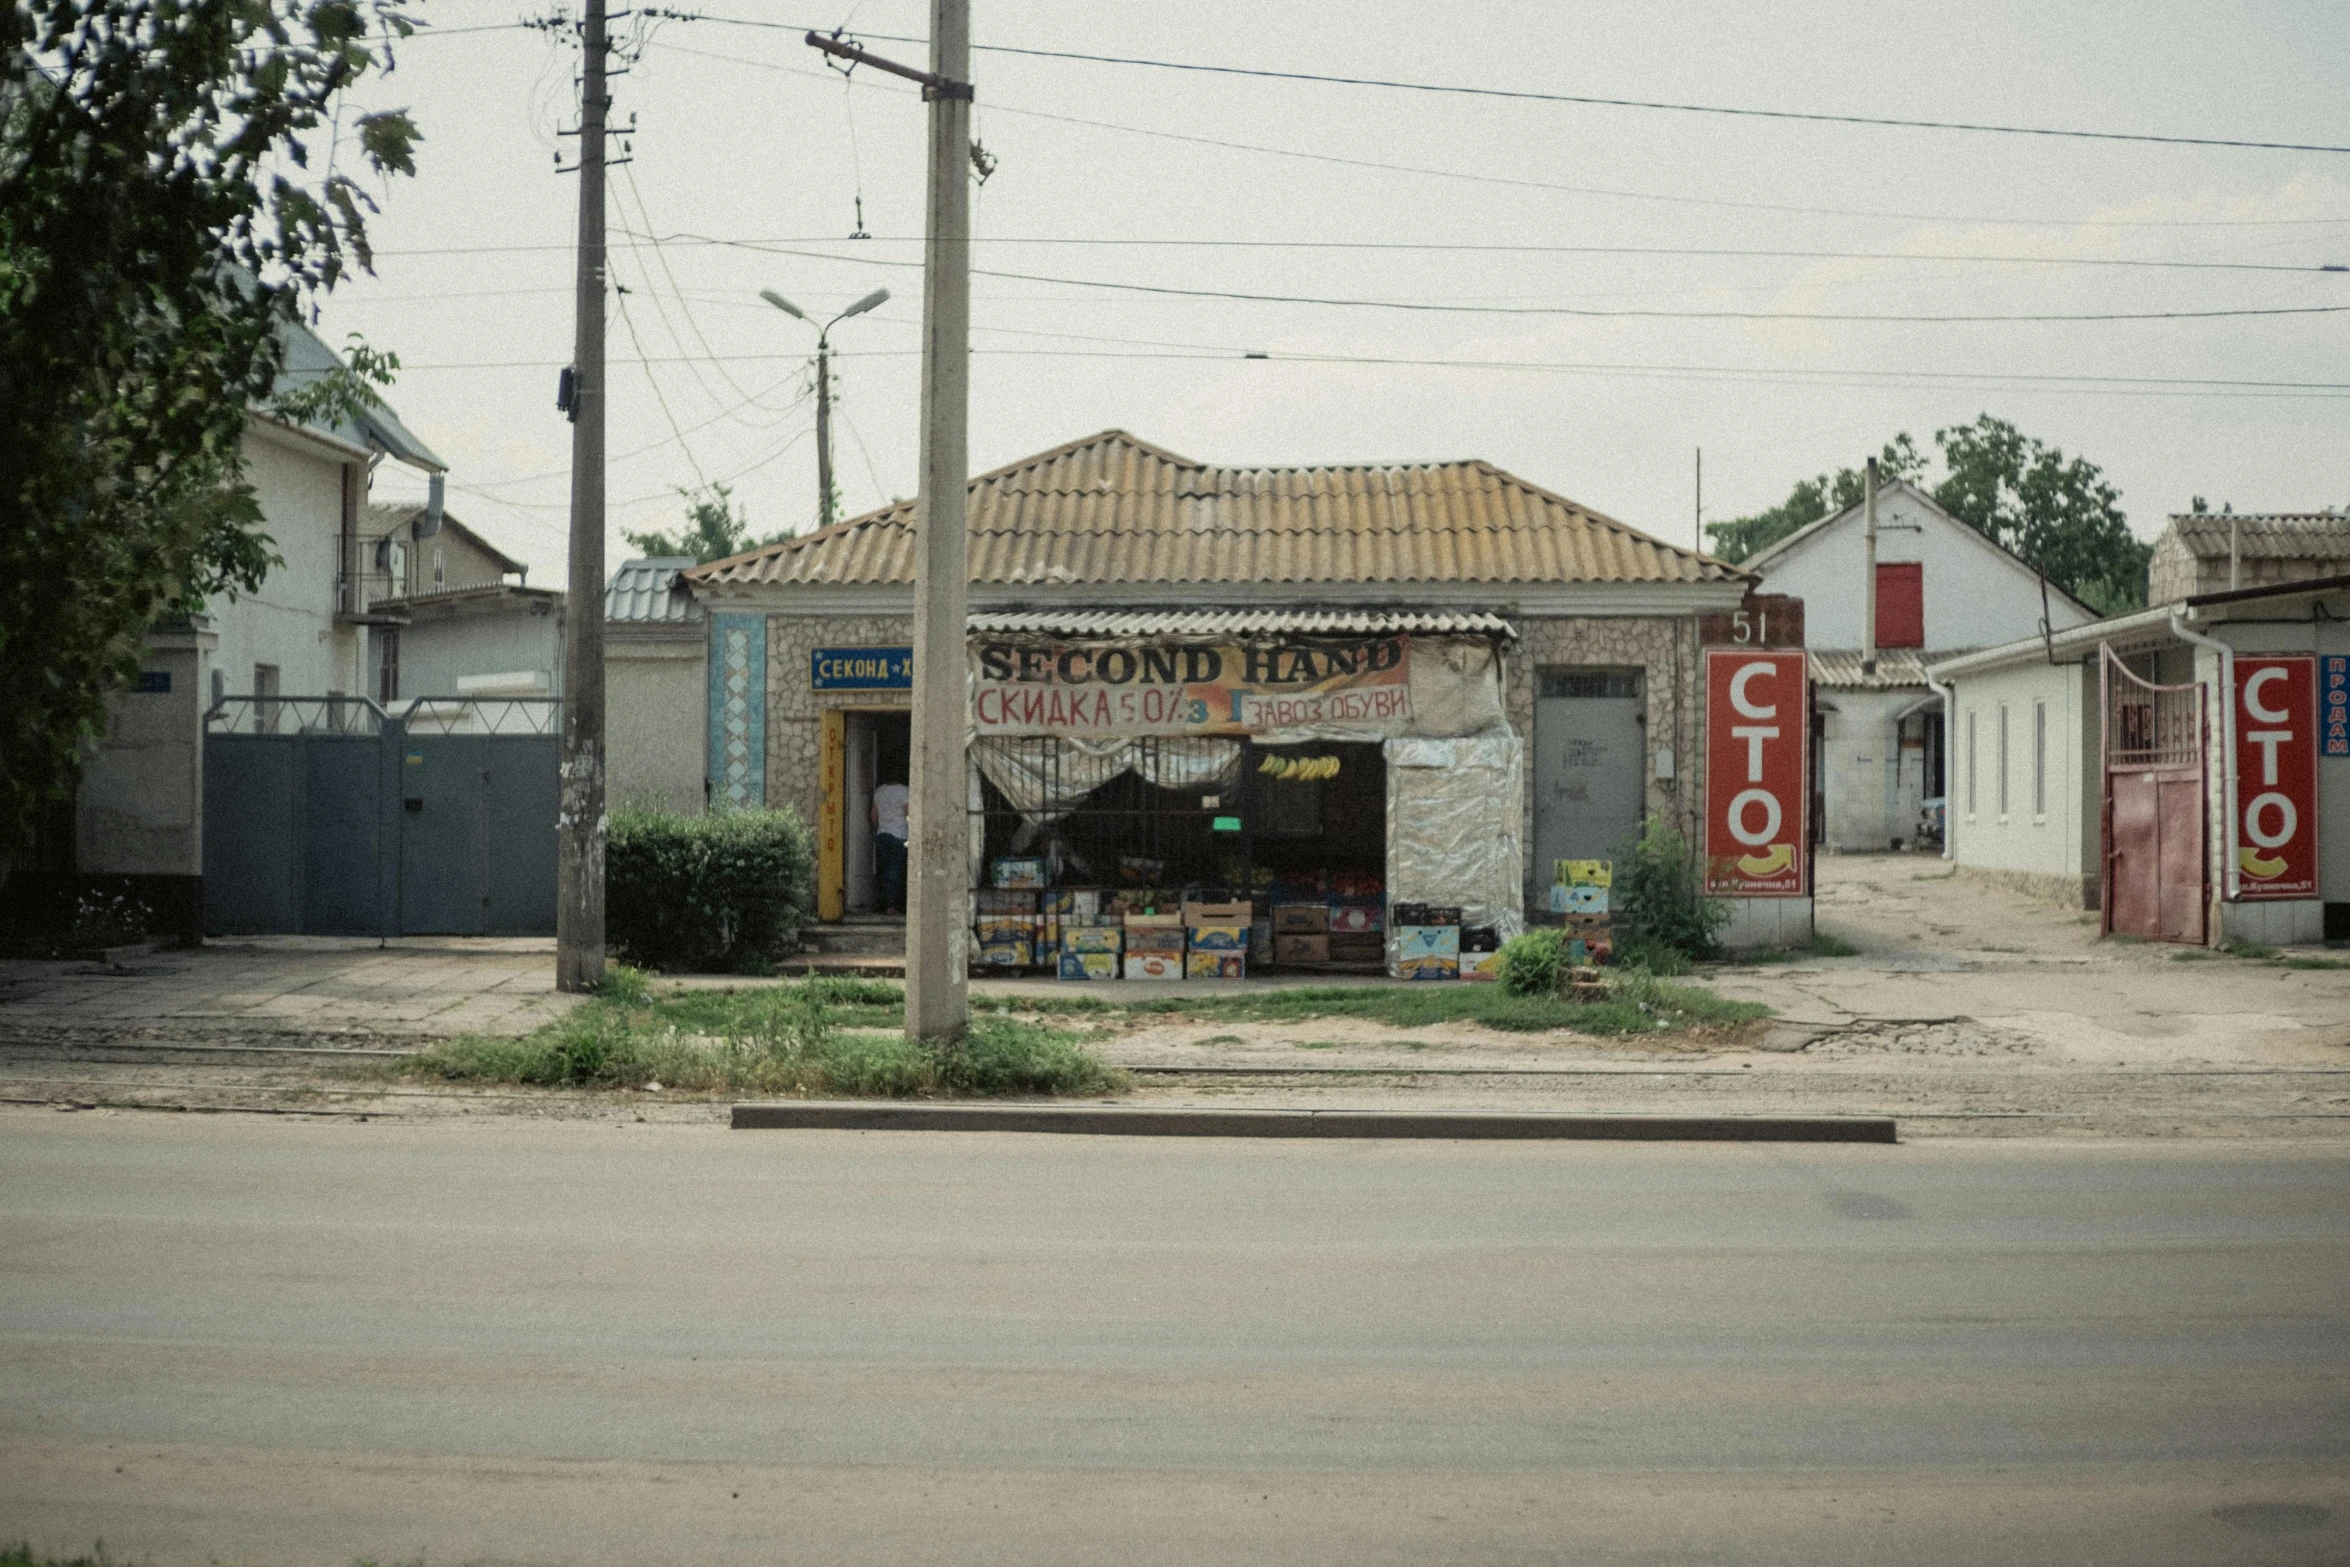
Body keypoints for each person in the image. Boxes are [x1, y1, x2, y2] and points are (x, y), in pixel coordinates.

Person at [871, 777, 909, 915]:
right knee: (896, 872)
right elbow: (908, 814)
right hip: (899, 835)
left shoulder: (879, 791)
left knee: (885, 870)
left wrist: (878, 829)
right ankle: (892, 906)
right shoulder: (904, 791)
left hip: (882, 835)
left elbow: (874, 816)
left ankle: (884, 904)